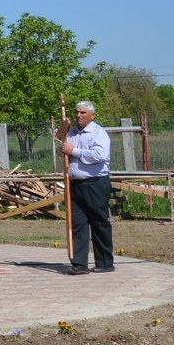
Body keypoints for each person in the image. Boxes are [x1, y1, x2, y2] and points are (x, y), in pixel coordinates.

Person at [60, 100, 114, 276]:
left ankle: (105, 262)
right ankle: (79, 264)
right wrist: (65, 144)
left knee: (99, 222)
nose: (78, 116)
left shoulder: (98, 133)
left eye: (83, 113)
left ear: (92, 115)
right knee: (78, 224)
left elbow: (99, 155)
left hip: (95, 183)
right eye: (77, 112)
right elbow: (64, 145)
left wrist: (73, 151)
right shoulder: (72, 132)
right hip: (75, 184)